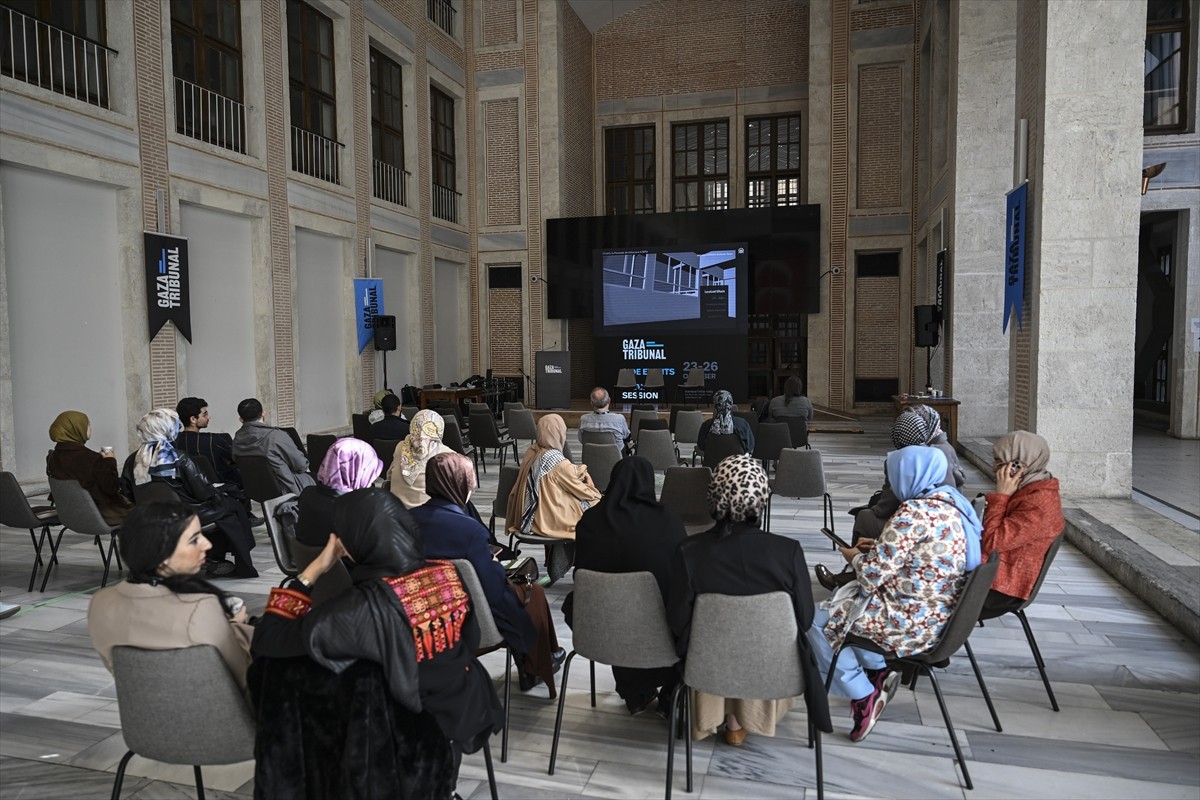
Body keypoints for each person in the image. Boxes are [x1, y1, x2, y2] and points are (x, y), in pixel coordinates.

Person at [251, 489, 503, 792]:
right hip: (467, 704)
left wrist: (314, 569)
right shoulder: (447, 573)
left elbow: (269, 639)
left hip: (406, 739)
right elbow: (470, 638)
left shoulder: (364, 607)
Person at [807, 445, 981, 743]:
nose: (890, 484)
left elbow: (871, 577)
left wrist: (852, 556)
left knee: (812, 621)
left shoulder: (913, 512)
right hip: (938, 617)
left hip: (907, 624)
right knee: (840, 612)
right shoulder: (952, 504)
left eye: (892, 477)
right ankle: (878, 672)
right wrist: (876, 547)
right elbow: (920, 555)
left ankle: (863, 695)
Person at [667, 454, 831, 746]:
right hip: (773, 666)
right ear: (762, 497)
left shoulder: (688, 551)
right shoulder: (787, 552)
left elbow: (678, 621)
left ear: (714, 495)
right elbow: (804, 619)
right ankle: (744, 718)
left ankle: (722, 715)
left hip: (706, 667)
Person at [412, 452, 566, 695]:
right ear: (460, 483)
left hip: (424, 611)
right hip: (472, 617)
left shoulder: (408, 520)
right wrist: (494, 563)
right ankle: (535, 662)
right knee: (531, 592)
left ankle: (538, 658)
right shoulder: (469, 530)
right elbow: (492, 591)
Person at [88, 502, 253, 694]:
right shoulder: (199, 609)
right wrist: (235, 626)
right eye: (194, 539)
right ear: (162, 553)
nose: (207, 544)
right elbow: (245, 677)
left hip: (144, 716)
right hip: (218, 717)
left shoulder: (100, 603)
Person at [565, 456, 686, 716]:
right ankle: (669, 698)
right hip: (658, 633)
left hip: (597, 630)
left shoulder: (589, 522)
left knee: (612, 604)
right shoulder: (667, 521)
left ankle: (634, 692)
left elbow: (580, 576)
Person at [122, 409, 259, 578]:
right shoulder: (179, 458)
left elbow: (128, 492)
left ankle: (212, 559)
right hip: (186, 513)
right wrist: (221, 491)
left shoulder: (133, 460)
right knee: (232, 506)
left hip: (151, 515)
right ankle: (226, 561)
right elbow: (202, 492)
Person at [836, 405, 965, 562]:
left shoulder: (904, 465)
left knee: (864, 516)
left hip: (917, 552)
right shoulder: (941, 452)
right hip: (950, 525)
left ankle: (854, 567)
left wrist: (857, 559)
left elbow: (887, 508)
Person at [980, 430, 1064, 614]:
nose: (995, 468)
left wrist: (1001, 496)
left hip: (1000, 589)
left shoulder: (1039, 503)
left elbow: (992, 543)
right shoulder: (1029, 489)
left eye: (999, 462)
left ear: (1019, 466)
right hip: (989, 575)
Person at [506, 414, 600, 541]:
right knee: (597, 504)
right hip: (548, 521)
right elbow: (583, 493)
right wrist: (592, 487)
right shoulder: (558, 462)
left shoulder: (532, 451)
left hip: (526, 517)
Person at [45, 410, 133, 525]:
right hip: (103, 513)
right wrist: (110, 460)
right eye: (88, 425)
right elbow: (112, 487)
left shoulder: (53, 456)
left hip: (70, 514)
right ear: (77, 429)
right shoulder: (92, 459)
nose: (90, 428)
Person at [296, 438, 384, 548]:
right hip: (346, 563)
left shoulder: (306, 494)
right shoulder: (359, 510)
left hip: (308, 562)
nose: (371, 480)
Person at [232, 398, 315, 495]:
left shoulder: (237, 439)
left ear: (241, 419)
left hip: (256, 488)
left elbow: (236, 460)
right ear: (263, 413)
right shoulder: (276, 436)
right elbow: (300, 465)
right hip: (286, 488)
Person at [387, 409, 454, 509]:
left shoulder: (401, 447)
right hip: (427, 516)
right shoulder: (447, 454)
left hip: (395, 514)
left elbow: (389, 477)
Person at [174, 397, 242, 486]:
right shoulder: (214, 440)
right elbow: (237, 457)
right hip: (222, 487)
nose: (208, 417)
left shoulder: (174, 441)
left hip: (190, 489)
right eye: (204, 415)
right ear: (193, 419)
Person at [695, 390, 755, 455]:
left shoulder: (706, 425)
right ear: (731, 404)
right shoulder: (742, 424)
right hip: (735, 463)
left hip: (712, 462)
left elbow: (701, 447)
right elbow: (750, 446)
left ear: (715, 405)